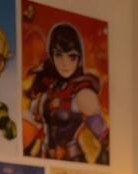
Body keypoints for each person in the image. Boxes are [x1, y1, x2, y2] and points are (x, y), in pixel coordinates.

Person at [24, 22, 109, 163]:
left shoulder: (82, 92)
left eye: (72, 57)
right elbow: (37, 121)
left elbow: (104, 135)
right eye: (59, 55)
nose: (65, 63)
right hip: (45, 156)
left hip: (72, 160)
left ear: (79, 58)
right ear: (52, 55)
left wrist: (105, 155)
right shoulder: (50, 87)